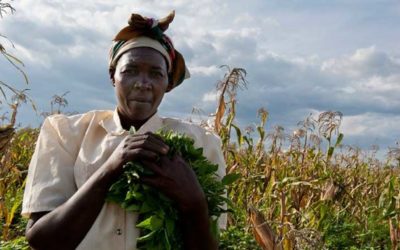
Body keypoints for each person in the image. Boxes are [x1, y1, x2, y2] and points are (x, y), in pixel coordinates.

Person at [22, 11, 226, 250]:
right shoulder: (66, 133)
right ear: (112, 76)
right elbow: (41, 240)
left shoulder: (201, 144)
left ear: (168, 83)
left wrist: (194, 201)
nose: (142, 83)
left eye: (156, 74)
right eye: (130, 71)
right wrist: (108, 170)